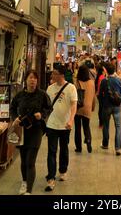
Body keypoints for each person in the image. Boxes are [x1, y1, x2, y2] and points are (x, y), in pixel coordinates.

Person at [10, 69, 52, 195]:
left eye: (35, 78)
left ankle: (28, 190)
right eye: (30, 78)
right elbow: (12, 108)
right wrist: (15, 118)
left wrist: (42, 114)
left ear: (37, 80)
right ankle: (24, 182)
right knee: (23, 159)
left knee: (30, 161)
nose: (32, 80)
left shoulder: (42, 94)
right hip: (22, 131)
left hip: (36, 130)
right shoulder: (20, 95)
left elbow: (49, 108)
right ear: (26, 80)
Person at [45, 64, 78, 192]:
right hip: (52, 124)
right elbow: (46, 106)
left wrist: (71, 120)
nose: (52, 75)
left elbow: (74, 105)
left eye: (54, 73)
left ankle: (63, 170)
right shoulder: (49, 88)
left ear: (61, 75)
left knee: (64, 149)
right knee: (51, 151)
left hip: (65, 125)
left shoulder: (71, 88)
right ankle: (51, 178)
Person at [99, 63, 121, 156]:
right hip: (117, 106)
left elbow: (100, 94)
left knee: (106, 125)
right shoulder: (118, 81)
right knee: (118, 126)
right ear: (114, 71)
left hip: (106, 106)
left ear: (106, 71)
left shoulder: (104, 81)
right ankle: (118, 148)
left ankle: (105, 144)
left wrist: (102, 103)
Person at [74, 65, 96, 153]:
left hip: (78, 108)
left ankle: (78, 148)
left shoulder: (76, 82)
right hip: (87, 108)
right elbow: (93, 97)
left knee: (77, 128)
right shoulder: (92, 82)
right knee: (86, 126)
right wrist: (93, 107)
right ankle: (88, 142)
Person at [95, 64, 106, 128]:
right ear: (102, 71)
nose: (105, 70)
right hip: (102, 95)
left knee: (100, 108)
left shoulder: (100, 77)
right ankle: (101, 123)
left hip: (99, 94)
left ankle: (101, 123)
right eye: (104, 70)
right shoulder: (102, 77)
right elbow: (102, 88)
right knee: (102, 109)